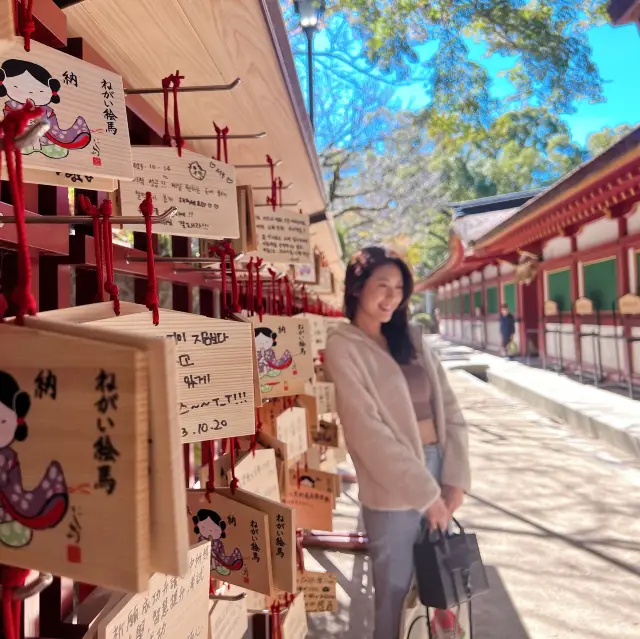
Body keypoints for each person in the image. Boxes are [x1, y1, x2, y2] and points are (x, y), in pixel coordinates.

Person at [324, 246, 470, 639]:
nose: (391, 296)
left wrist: (455, 477)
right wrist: (427, 495)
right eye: (382, 285)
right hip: (392, 488)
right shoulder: (343, 346)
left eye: (399, 288)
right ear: (357, 288)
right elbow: (368, 435)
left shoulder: (412, 339)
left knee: (440, 582)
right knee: (393, 590)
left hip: (438, 467)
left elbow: (450, 410)